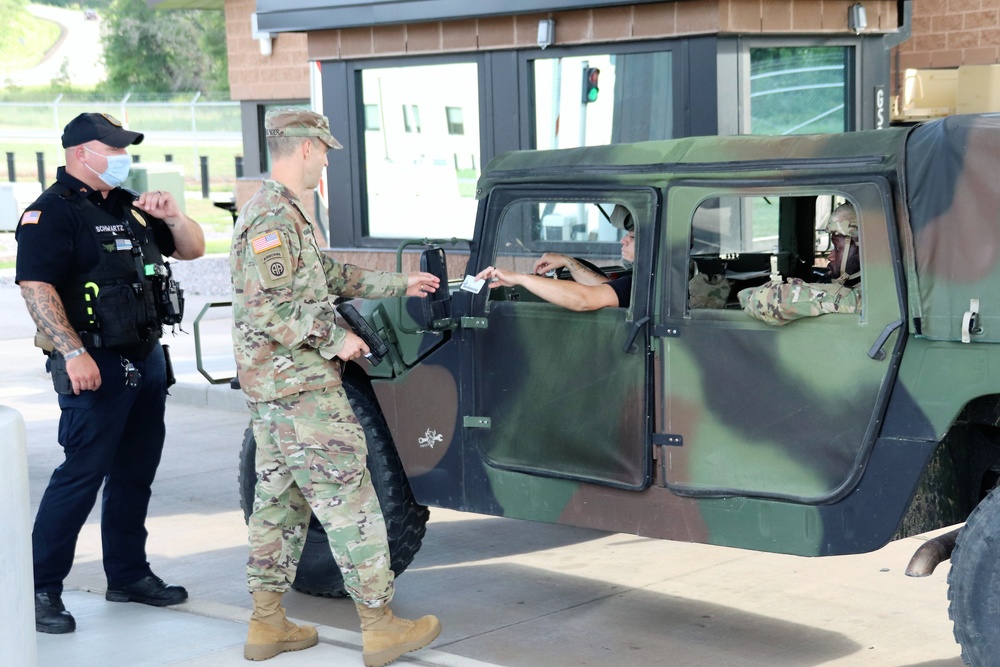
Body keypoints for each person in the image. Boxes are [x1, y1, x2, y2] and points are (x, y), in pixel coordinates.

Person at [230, 107, 442, 665]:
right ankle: (379, 626)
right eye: (323, 149)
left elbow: (325, 275)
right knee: (351, 499)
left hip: (278, 393)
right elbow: (270, 304)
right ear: (303, 147)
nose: (326, 159)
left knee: (278, 505)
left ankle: (267, 623)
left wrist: (401, 282)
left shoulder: (285, 214)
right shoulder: (272, 217)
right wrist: (335, 338)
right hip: (300, 389)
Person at [15, 112, 206, 634]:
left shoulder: (129, 207)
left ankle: (127, 576)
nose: (123, 158)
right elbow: (36, 288)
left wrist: (173, 217)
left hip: (144, 358)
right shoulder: (51, 213)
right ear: (81, 153)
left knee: (134, 476)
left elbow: (192, 249)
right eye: (113, 148)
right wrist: (71, 351)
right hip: (93, 362)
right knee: (80, 477)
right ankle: (38, 588)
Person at [476, 205, 635, 310]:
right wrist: (566, 261)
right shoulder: (640, 281)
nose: (623, 240)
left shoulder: (642, 283)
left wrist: (520, 278)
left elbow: (584, 299)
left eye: (633, 237)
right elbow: (605, 287)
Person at [738, 202, 861, 325]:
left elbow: (767, 299)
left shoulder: (860, 300)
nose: (830, 256)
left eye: (837, 248)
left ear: (863, 250)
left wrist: (744, 295)